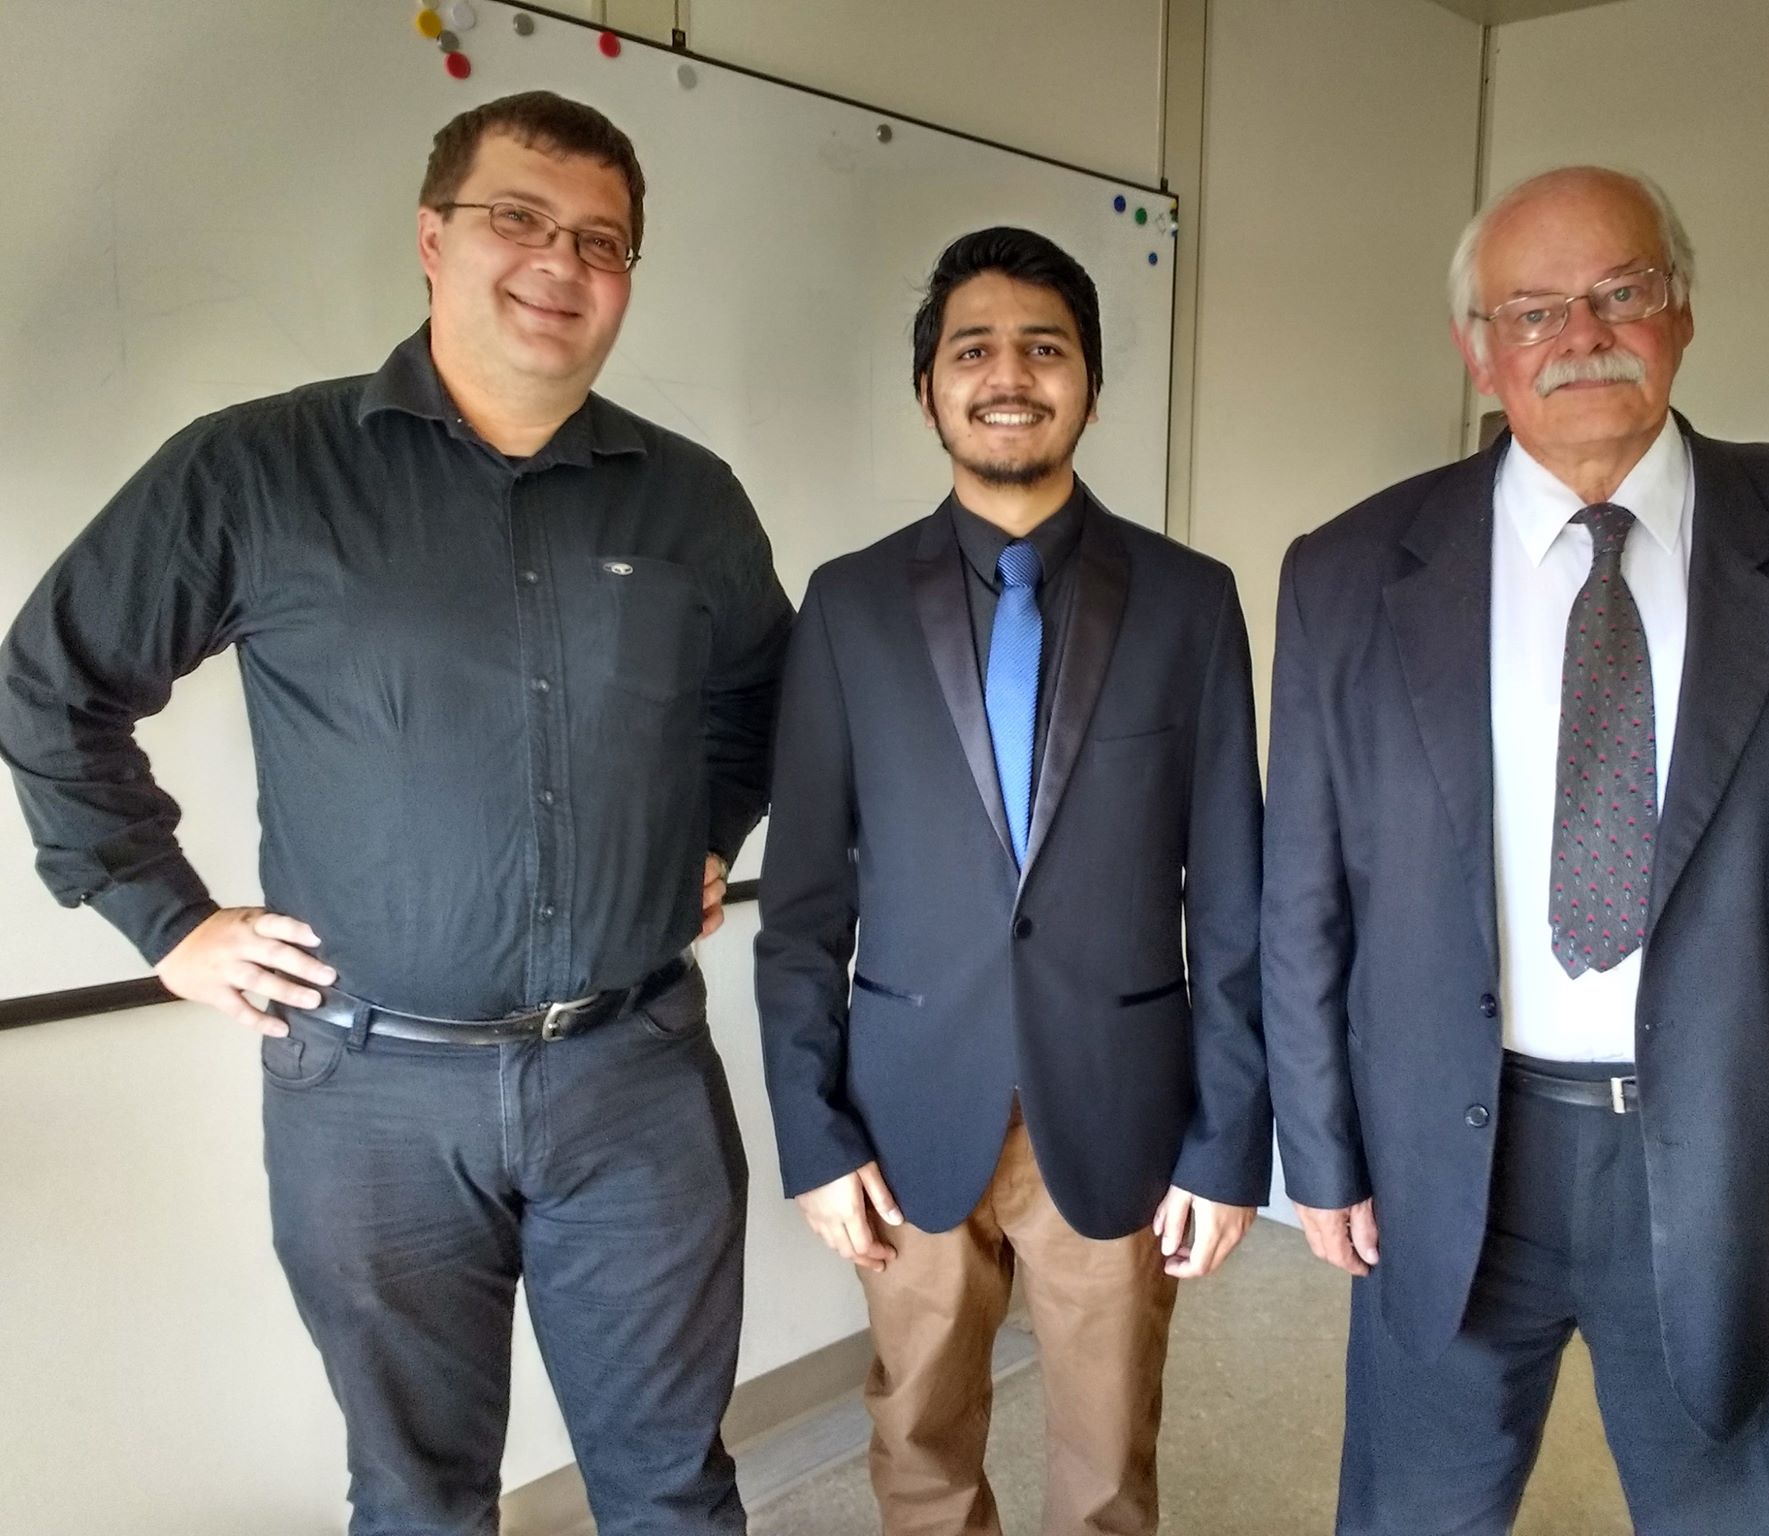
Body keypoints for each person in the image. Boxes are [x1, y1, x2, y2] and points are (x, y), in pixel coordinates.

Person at [0, 91, 790, 1534]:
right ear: (434, 238)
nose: (559, 261)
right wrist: (164, 920)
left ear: (627, 275)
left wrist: (709, 833)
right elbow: (51, 687)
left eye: (600, 240)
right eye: (519, 218)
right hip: (370, 1098)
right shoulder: (256, 469)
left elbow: (762, 703)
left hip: (635, 1083)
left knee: (675, 1489)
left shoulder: (690, 502)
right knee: (417, 1500)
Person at [1262, 165, 1769, 1535]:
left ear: (1684, 311)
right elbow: (1302, 896)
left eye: (1622, 291)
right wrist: (1318, 1145)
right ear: (1478, 349)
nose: (1581, 335)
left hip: (1740, 1162)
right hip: (1447, 1162)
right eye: (1533, 310)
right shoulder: (1348, 574)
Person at [754, 226, 1268, 1536]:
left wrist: (1229, 1144)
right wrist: (812, 1134)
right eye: (972, 349)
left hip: (1118, 1105)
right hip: (905, 1108)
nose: (1009, 375)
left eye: (1045, 349)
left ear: (1088, 385)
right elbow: (802, 906)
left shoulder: (1191, 602)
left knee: (1108, 1464)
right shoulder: (848, 606)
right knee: (918, 1439)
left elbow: (1234, 903)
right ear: (928, 388)